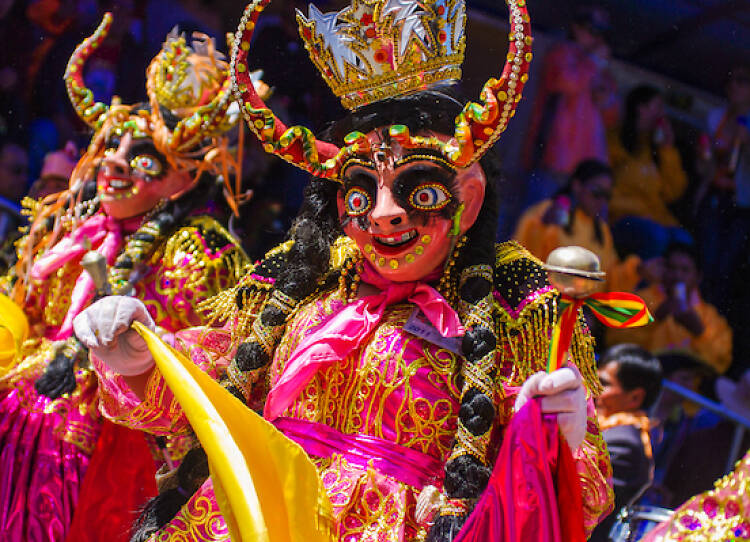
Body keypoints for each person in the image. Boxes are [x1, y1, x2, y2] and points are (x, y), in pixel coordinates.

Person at [73, 1, 615, 541]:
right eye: (361, 192)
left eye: (418, 190)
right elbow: (209, 387)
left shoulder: (514, 307)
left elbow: (581, 493)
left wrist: (555, 438)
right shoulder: (304, 279)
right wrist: (143, 359)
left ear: (468, 199)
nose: (384, 213)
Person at [0, 15, 251, 542]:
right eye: (109, 149)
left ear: (182, 178)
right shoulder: (67, 223)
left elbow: (185, 370)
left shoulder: (196, 252)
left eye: (140, 159)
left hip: (100, 450)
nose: (113, 165)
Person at [522, 6, 616, 207]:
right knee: (535, 221)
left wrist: (606, 99)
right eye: (593, 30)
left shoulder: (601, 67)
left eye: (602, 34)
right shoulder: (561, 53)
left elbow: (612, 116)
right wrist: (593, 62)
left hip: (586, 169)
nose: (598, 39)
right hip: (554, 160)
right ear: (576, 28)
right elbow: (564, 82)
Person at [513, 159, 648, 293]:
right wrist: (541, 227)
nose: (602, 202)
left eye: (606, 196)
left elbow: (609, 281)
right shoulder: (549, 211)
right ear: (577, 186)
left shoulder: (601, 229)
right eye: (597, 193)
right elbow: (523, 257)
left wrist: (637, 270)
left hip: (583, 310)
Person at [607, 242, 732, 375]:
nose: (677, 276)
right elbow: (613, 341)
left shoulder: (710, 317)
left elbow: (720, 365)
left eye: (685, 270)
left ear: (697, 277)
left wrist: (699, 332)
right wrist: (654, 318)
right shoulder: (641, 299)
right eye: (672, 268)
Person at [590, 344, 662, 542]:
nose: (592, 386)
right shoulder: (613, 433)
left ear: (635, 397)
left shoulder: (623, 443)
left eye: (603, 383)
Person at [609, 86, 691, 260]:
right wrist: (639, 211)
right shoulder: (615, 140)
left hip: (656, 220)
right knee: (656, 236)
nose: (662, 114)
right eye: (658, 106)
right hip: (621, 217)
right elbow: (604, 188)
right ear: (641, 107)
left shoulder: (655, 148)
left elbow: (673, 193)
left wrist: (668, 151)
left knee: (684, 241)